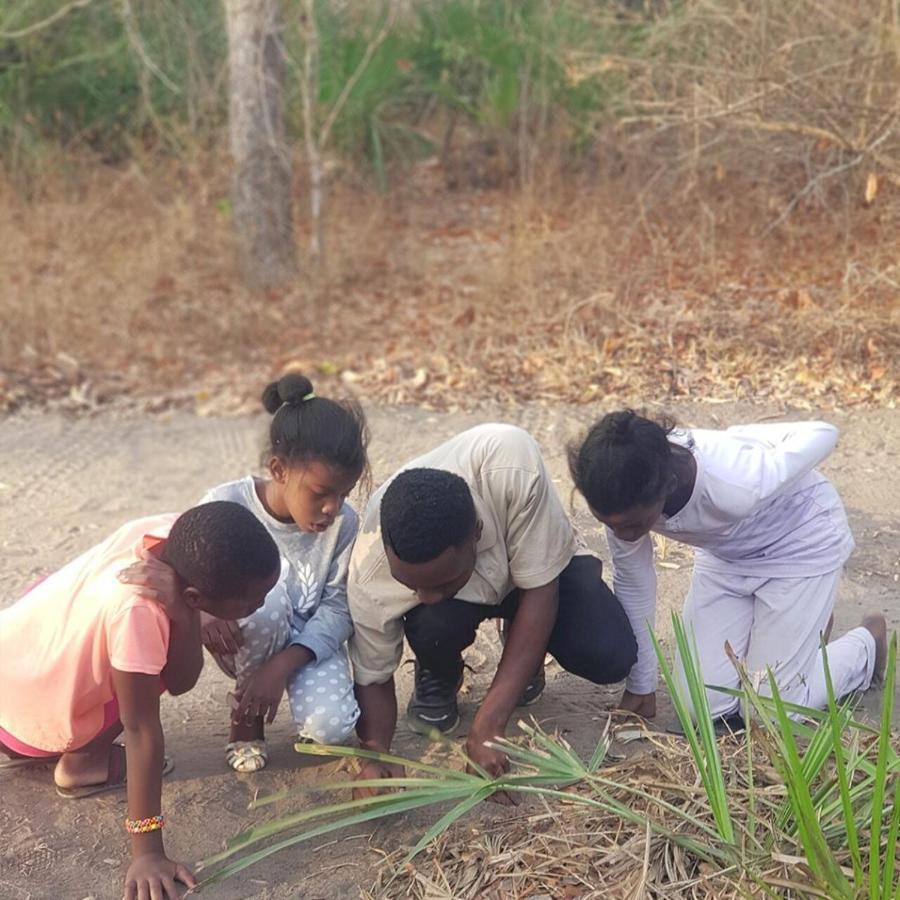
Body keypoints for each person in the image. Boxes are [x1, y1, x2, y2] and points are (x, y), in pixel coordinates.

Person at [0, 501, 280, 900]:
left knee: (134, 645)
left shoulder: (166, 532)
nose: (260, 607)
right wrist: (147, 853)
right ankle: (83, 764)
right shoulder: (137, 612)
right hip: (27, 720)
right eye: (251, 603)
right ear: (195, 596)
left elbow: (183, 672)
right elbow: (144, 724)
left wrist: (186, 615)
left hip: (18, 655)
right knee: (145, 663)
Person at [346, 423, 637, 796]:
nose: (426, 594)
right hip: (457, 612)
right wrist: (374, 755)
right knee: (433, 618)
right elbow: (372, 675)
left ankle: (524, 649)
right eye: (412, 584)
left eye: (442, 581)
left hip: (535, 571)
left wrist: (488, 727)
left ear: (477, 533)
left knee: (609, 654)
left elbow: (541, 591)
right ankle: (439, 669)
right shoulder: (368, 569)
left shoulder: (509, 465)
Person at [568, 410, 888, 722]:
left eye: (633, 524)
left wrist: (742, 439)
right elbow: (635, 585)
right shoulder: (621, 493)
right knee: (698, 709)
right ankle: (793, 641)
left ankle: (865, 645)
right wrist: (641, 684)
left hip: (800, 549)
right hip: (725, 557)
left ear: (666, 485)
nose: (621, 534)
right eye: (608, 523)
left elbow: (824, 432)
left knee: (769, 712)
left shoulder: (737, 483)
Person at [120, 374, 367, 773]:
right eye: (320, 493)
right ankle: (246, 718)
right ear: (279, 469)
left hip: (307, 642)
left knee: (332, 731)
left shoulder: (345, 524)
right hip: (244, 628)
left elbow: (338, 607)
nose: (332, 508)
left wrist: (284, 664)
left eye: (343, 494)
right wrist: (204, 616)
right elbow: (183, 568)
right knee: (268, 602)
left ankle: (286, 700)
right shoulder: (226, 504)